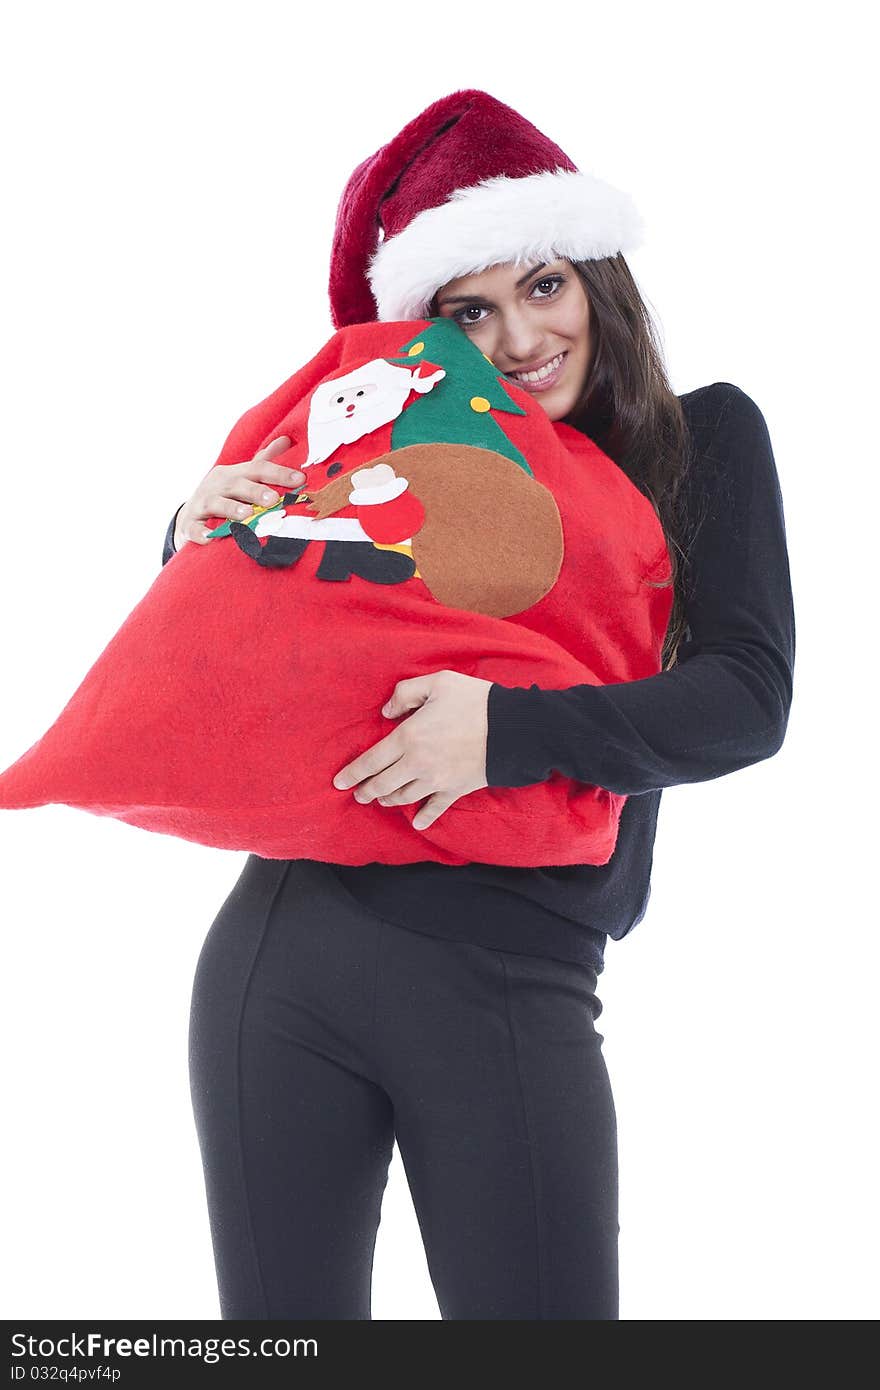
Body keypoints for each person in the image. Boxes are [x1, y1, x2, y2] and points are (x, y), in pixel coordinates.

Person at [161, 90, 795, 1320]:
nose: (518, 339)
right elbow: (246, 659)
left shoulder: (700, 442)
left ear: (596, 280)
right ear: (430, 332)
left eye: (543, 286)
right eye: (471, 311)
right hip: (279, 953)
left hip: (513, 972)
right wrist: (191, 537)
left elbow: (747, 696)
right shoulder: (399, 455)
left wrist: (507, 732)